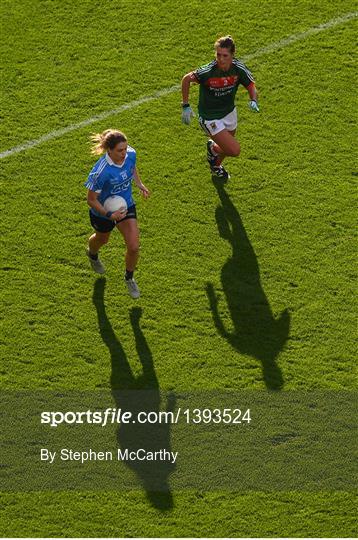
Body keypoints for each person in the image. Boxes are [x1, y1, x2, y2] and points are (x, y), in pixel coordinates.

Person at [181, 35, 259, 180]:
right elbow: (186, 79)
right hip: (210, 117)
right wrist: (185, 105)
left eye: (225, 55)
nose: (221, 59)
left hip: (229, 112)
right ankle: (213, 149)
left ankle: (215, 165)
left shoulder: (238, 68)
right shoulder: (207, 72)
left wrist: (253, 99)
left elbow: (251, 85)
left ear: (232, 55)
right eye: (218, 55)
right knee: (234, 150)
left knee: (225, 148)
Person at [84, 129, 150, 299]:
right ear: (109, 150)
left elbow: (132, 167)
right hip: (103, 212)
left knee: (134, 246)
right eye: (120, 151)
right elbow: (91, 200)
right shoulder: (101, 172)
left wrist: (139, 183)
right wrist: (109, 215)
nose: (124, 153)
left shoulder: (130, 154)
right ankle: (92, 254)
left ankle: (129, 277)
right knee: (102, 239)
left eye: (125, 149)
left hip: (125, 204)